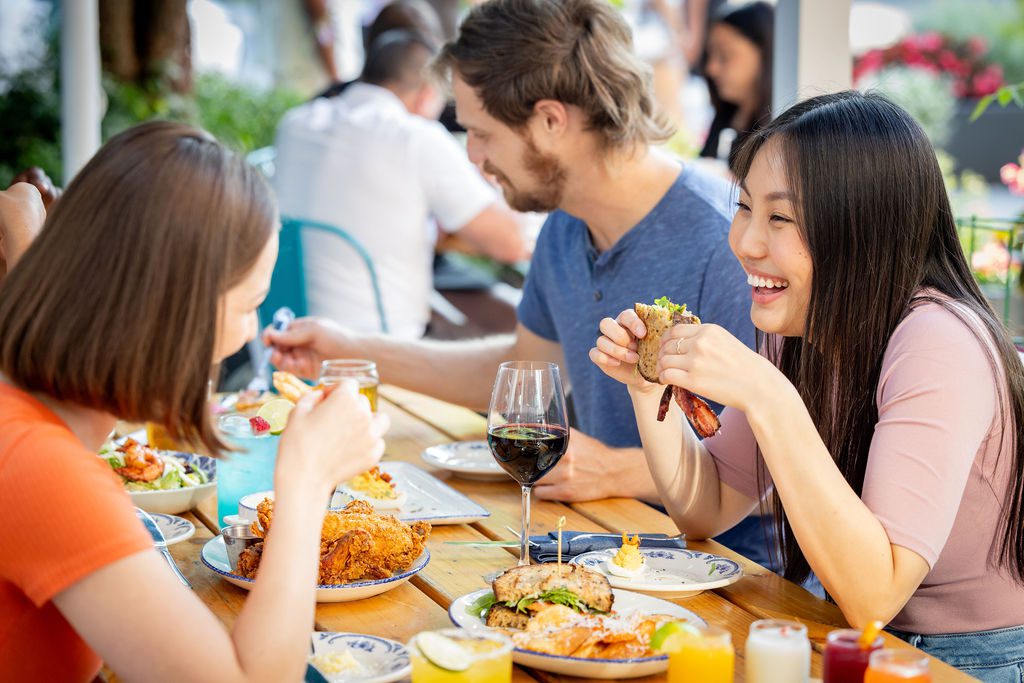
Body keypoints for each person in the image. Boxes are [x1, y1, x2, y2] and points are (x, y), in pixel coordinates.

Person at [591, 91, 1024, 680]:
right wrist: (647, 389)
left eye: (780, 217)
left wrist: (768, 396)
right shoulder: (800, 322)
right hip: (841, 628)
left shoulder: (938, 342)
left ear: (861, 229)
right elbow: (707, 509)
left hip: (969, 659)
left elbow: (876, 595)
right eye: (744, 208)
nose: (745, 241)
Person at [267, 0, 755, 512]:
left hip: (727, 575)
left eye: (481, 133)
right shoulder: (567, 224)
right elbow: (516, 370)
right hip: (601, 539)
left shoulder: (727, 243)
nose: (473, 155)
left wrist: (617, 468)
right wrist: (351, 351)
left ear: (550, 120)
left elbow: (788, 458)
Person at [0, 121, 388, 682]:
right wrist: (307, 483)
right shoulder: (45, 469)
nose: (245, 335)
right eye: (250, 304)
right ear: (174, 311)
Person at [274, 29, 524, 339]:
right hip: (379, 342)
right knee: (505, 327)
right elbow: (512, 242)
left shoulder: (295, 124)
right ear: (427, 95)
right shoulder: (414, 137)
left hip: (287, 328)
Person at [698, 1, 773, 168]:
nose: (711, 68)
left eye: (725, 55)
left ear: (763, 53)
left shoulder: (780, 130)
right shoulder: (725, 115)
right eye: (710, 55)